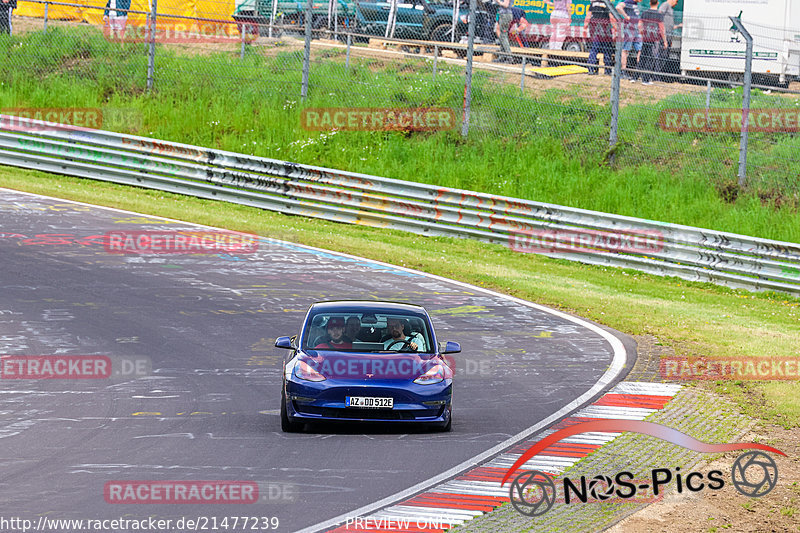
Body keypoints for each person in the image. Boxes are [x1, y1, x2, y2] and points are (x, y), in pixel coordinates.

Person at [638, 0, 666, 85]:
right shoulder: (659, 15)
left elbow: (640, 25)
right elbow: (661, 29)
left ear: (650, 3)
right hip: (654, 39)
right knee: (650, 58)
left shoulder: (645, 13)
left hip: (646, 38)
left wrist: (642, 34)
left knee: (642, 57)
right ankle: (645, 80)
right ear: (657, 3)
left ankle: (635, 77)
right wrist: (664, 41)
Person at [585, 0, 614, 75]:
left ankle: (590, 69)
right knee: (607, 50)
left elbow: (588, 16)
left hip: (594, 29)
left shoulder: (593, 3)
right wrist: (616, 29)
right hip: (605, 30)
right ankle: (607, 70)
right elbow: (612, 18)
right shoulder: (608, 4)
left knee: (594, 49)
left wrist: (585, 28)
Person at [617, 0, 641, 82]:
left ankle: (639, 71)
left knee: (640, 50)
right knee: (625, 50)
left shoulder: (636, 4)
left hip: (636, 29)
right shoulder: (629, 1)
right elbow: (618, 7)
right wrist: (626, 16)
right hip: (629, 28)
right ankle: (622, 71)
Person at [658, 0, 681, 81]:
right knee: (660, 55)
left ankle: (658, 74)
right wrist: (662, 30)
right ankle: (656, 75)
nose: (676, 3)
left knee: (665, 56)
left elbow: (670, 26)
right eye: (676, 1)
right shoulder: (665, 5)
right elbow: (659, 15)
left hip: (668, 35)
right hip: (663, 35)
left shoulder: (670, 8)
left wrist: (678, 26)